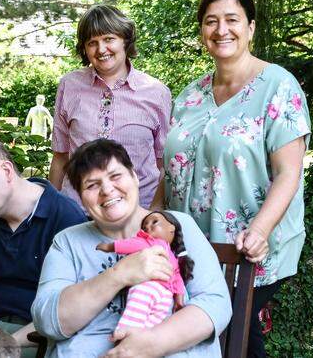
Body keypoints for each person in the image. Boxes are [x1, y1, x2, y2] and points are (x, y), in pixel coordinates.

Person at [158, 0, 311, 358]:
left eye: (232, 20)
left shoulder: (278, 86)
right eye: (211, 22)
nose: (221, 30)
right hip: (193, 246)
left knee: (238, 338)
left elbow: (289, 173)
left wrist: (259, 231)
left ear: (251, 27)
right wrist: (152, 221)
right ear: (202, 32)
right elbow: (170, 172)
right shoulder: (190, 95)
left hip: (250, 247)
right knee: (196, 338)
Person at [32, 139, 231, 357]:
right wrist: (119, 274)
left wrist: (153, 344)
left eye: (116, 176)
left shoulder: (176, 225)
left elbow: (215, 304)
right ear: (81, 198)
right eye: (92, 185)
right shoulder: (67, 242)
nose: (107, 190)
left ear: (135, 177)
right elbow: (48, 320)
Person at [0, 136, 86, 357]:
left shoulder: (65, 217)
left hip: (42, 340)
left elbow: (69, 312)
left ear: (5, 171)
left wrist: (3, 345)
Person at [49, 5, 171, 208]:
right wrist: (52, 213)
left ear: (125, 39)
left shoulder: (156, 92)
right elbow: (60, 158)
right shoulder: (69, 86)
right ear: (84, 49)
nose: (101, 49)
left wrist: (154, 214)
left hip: (136, 213)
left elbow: (164, 164)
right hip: (78, 212)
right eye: (92, 43)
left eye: (108, 39)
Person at [95, 210, 194, 329]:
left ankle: (138, 336)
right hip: (148, 286)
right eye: (144, 225)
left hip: (166, 294)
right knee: (137, 308)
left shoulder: (173, 255)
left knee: (156, 320)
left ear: (171, 228)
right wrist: (108, 246)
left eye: (154, 222)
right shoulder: (147, 242)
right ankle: (125, 331)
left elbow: (177, 278)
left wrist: (179, 300)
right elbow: (129, 244)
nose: (147, 226)